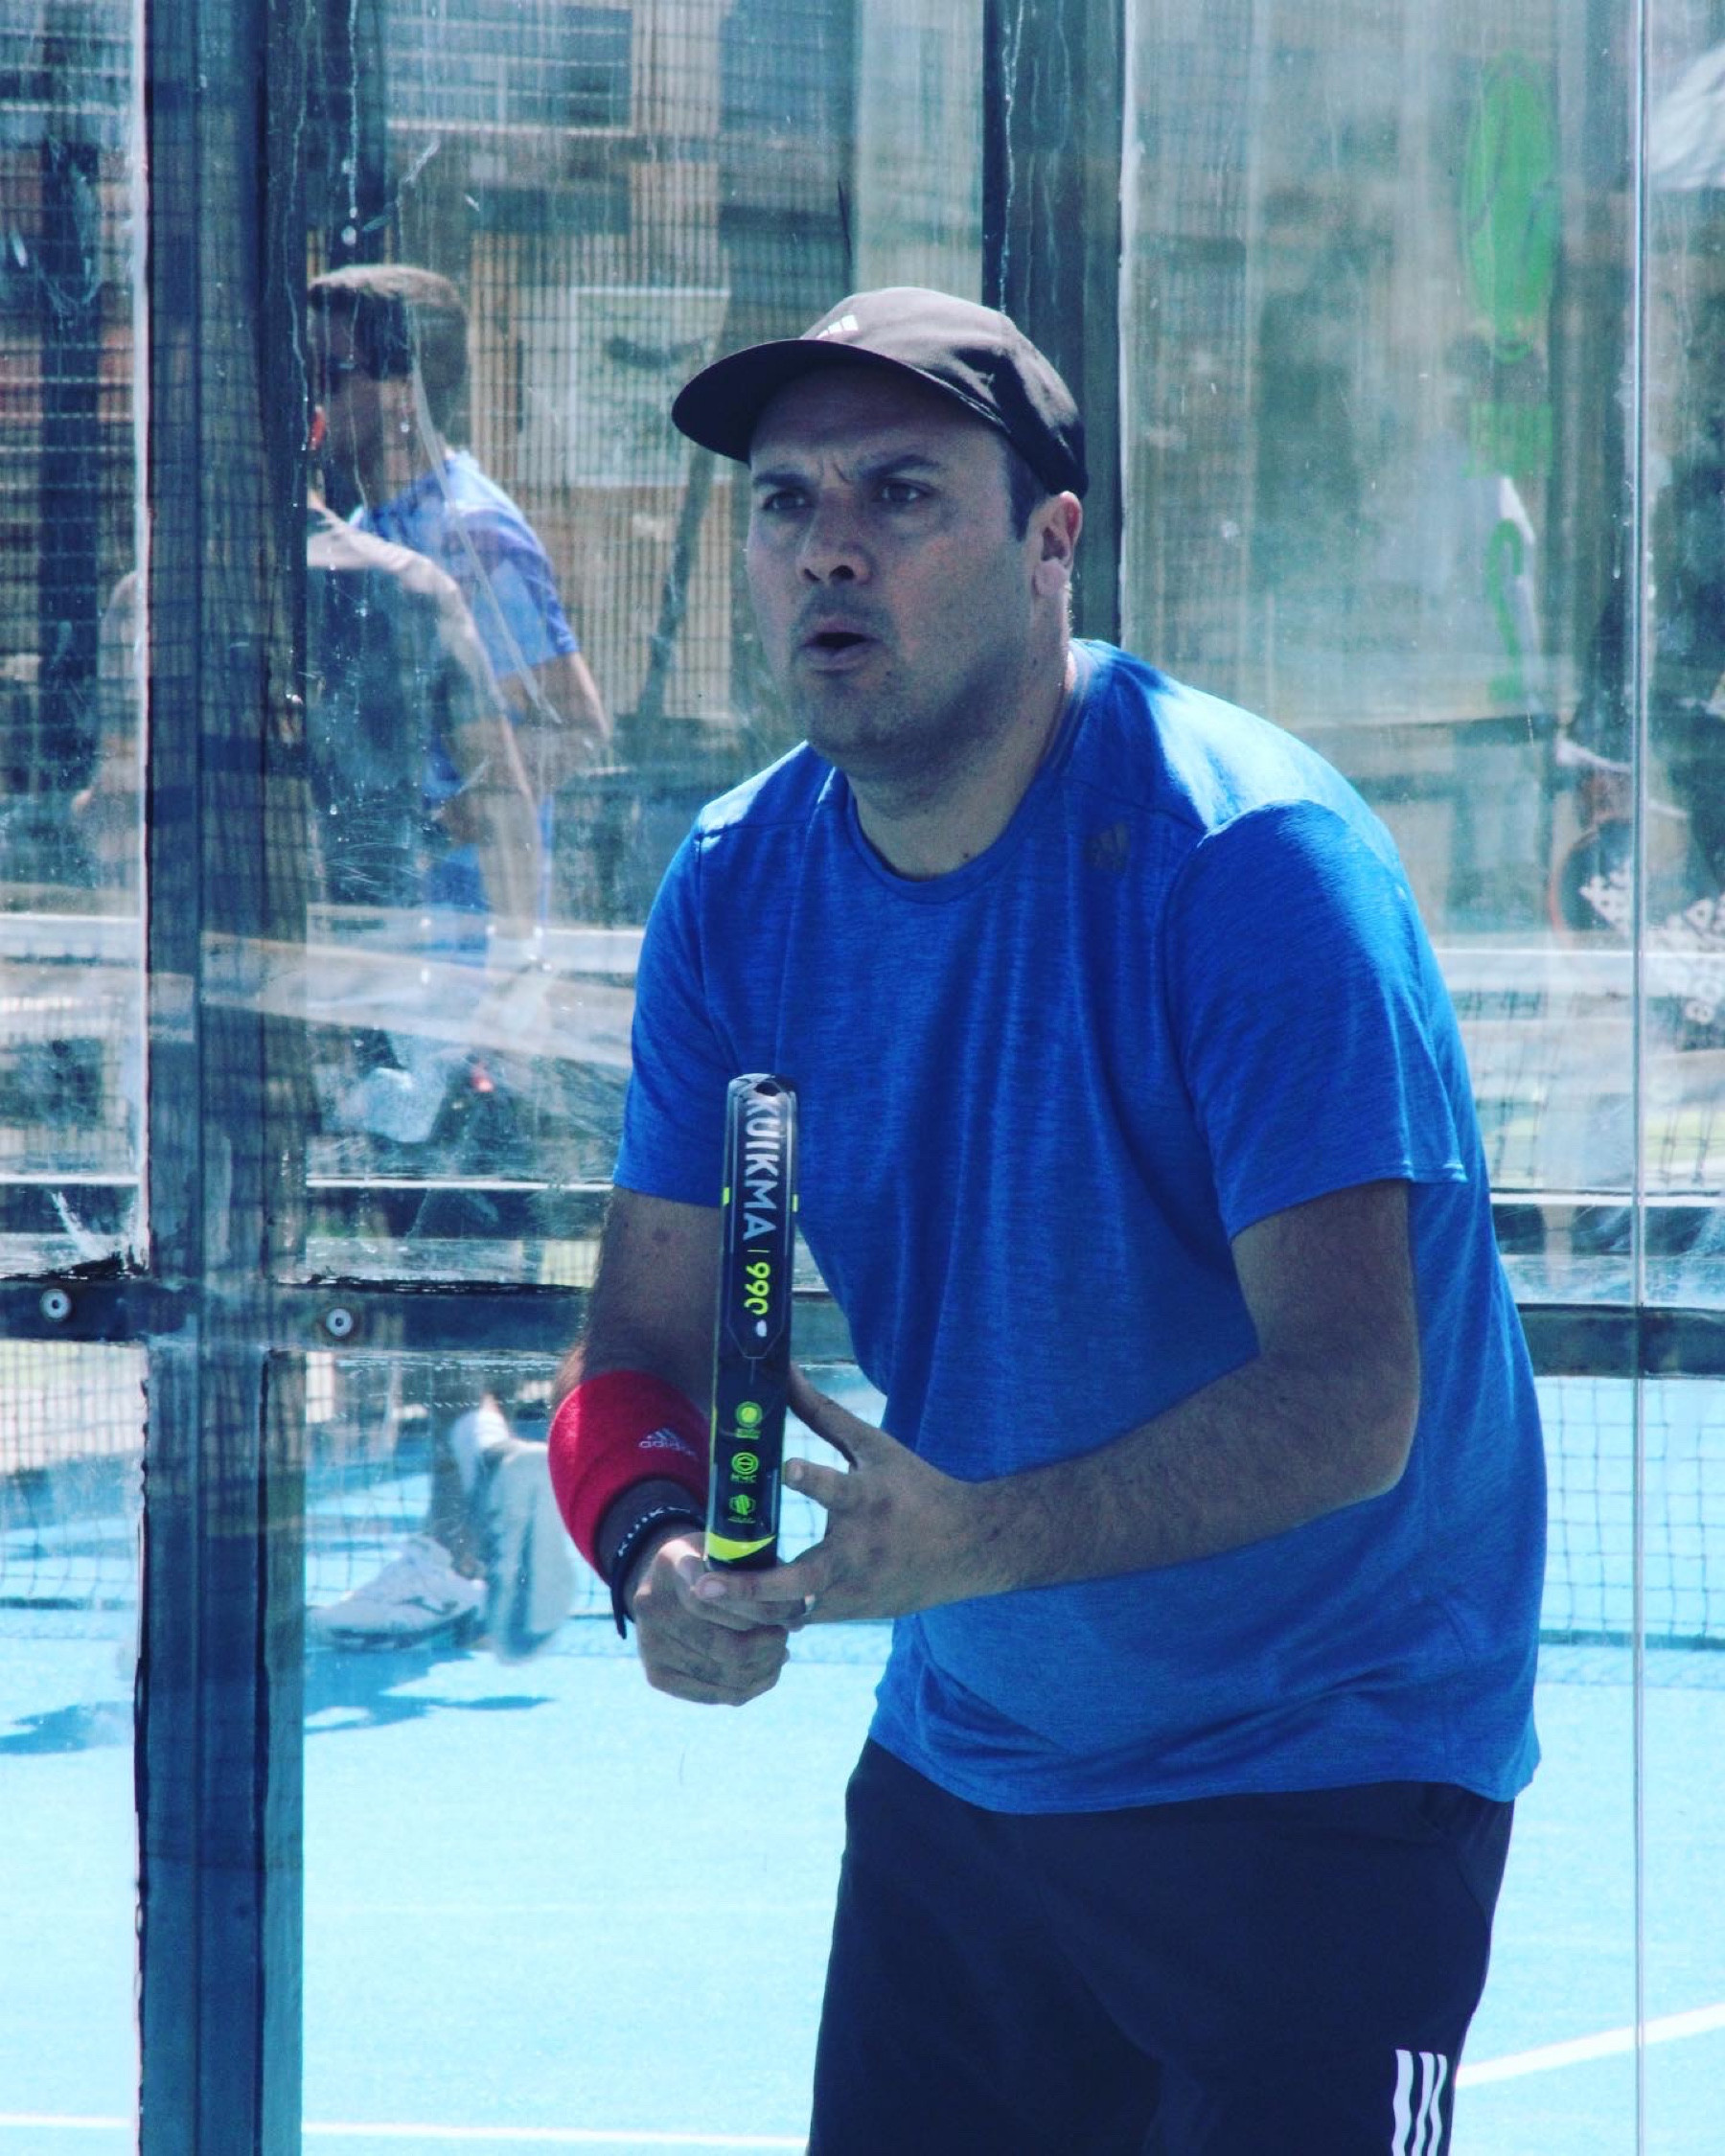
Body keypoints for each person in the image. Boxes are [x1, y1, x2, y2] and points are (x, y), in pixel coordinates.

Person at [545, 288, 1546, 2154]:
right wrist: (653, 1552)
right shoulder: (735, 886)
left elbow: (1353, 1398)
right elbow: (635, 1356)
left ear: (1050, 544)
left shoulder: (1251, 866)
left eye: (904, 491)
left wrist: (978, 1540)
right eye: (785, 501)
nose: (829, 546)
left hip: (1322, 1783)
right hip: (969, 1773)